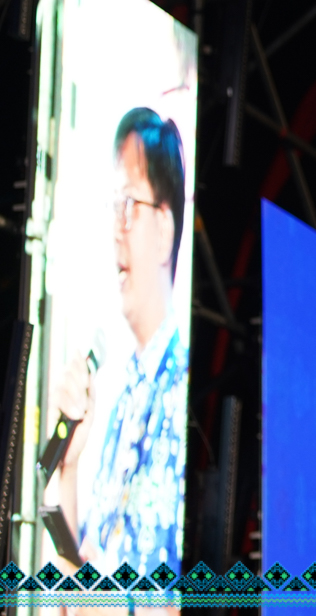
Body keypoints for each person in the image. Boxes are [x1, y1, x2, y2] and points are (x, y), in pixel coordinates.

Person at [44, 108, 189, 577]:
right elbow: (79, 577)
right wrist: (69, 467)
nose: (115, 230)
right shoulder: (128, 389)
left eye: (129, 205)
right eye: (113, 208)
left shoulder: (183, 387)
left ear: (164, 231)